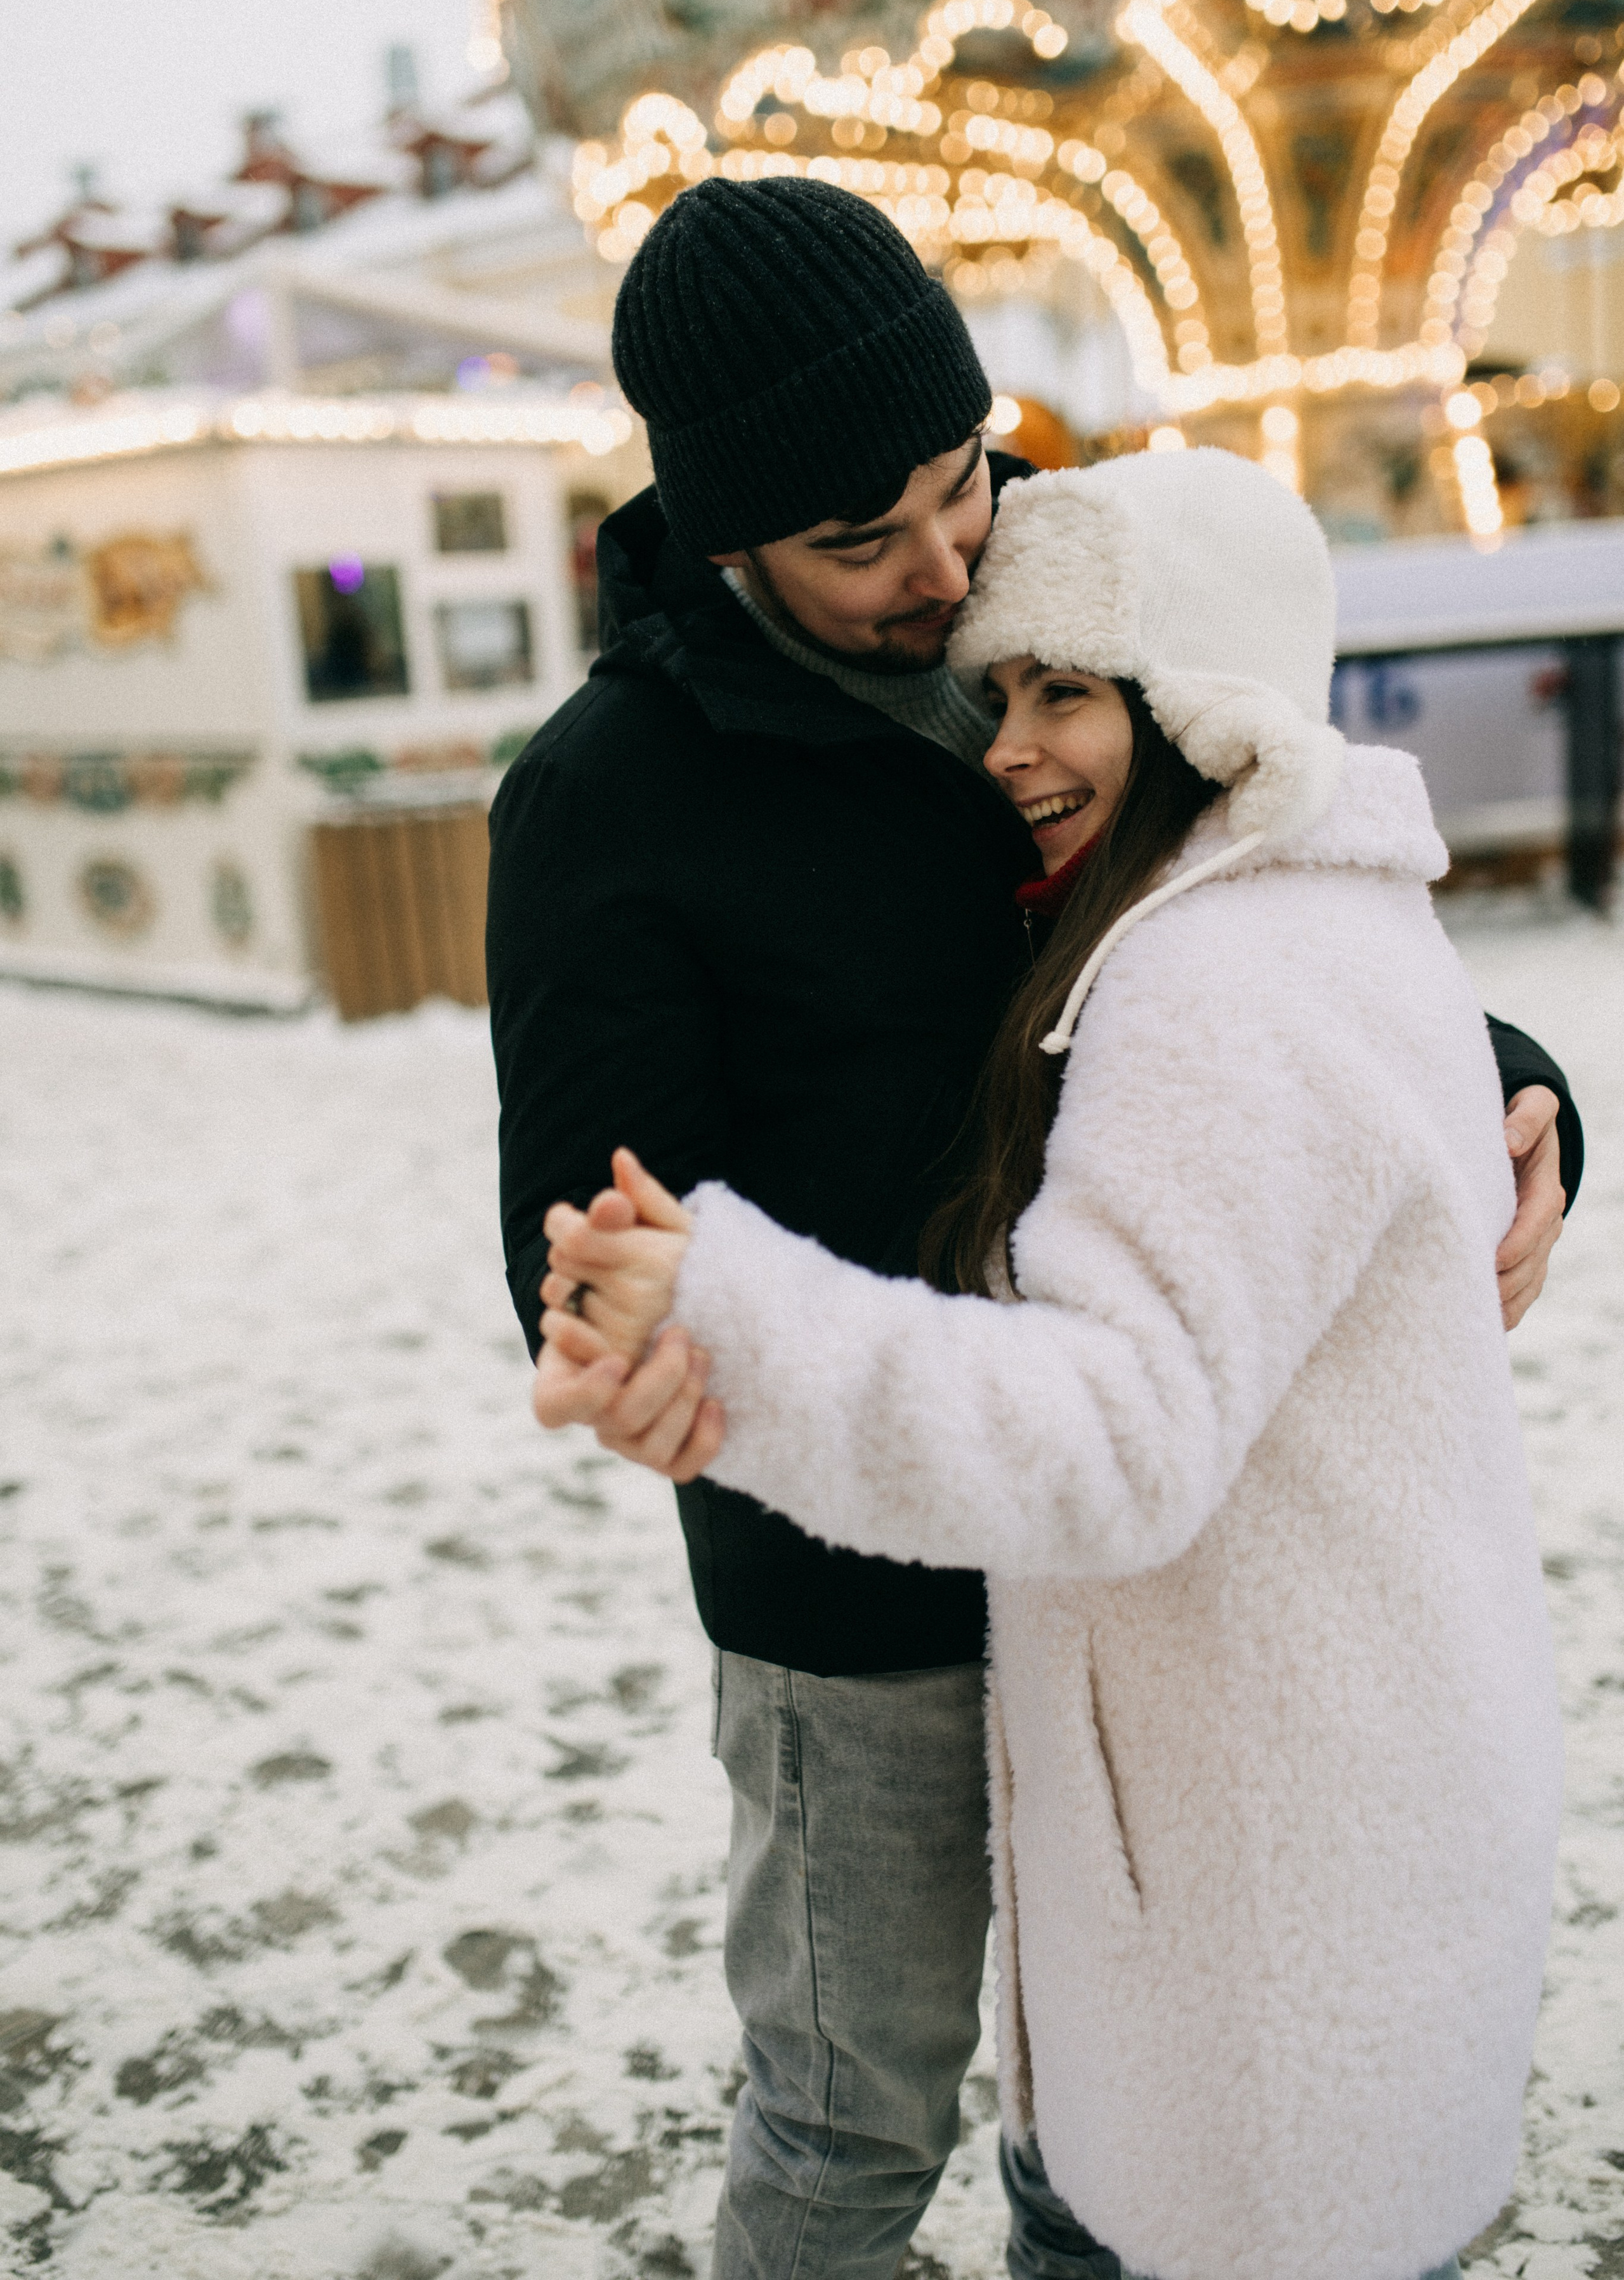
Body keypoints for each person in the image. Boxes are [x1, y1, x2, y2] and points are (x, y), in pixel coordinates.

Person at [488, 176, 1581, 2280]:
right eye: (857, 543)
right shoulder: (615, 792)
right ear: (725, 537)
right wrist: (708, 1345)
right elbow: (595, 1219)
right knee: (852, 2097)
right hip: (865, 1583)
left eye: (954, 479)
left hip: (1164, 1573)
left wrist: (1520, 1081)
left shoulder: (1087, 593)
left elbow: (1276, 896)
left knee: (1114, 2093)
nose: (941, 565)